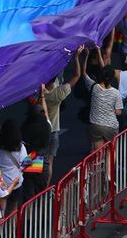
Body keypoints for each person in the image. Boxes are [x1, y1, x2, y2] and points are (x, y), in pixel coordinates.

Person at [42, 46, 82, 184]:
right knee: (49, 162)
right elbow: (77, 76)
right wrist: (76, 57)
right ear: (54, 81)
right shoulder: (57, 94)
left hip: (39, 131)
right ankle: (45, 188)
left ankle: (37, 186)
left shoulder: (37, 93)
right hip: (53, 131)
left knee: (37, 161)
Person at [78, 48, 122, 150]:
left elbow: (83, 73)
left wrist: (86, 57)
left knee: (97, 153)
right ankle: (109, 166)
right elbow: (119, 112)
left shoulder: (94, 87)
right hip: (111, 127)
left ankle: (97, 166)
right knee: (111, 152)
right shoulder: (116, 93)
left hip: (96, 125)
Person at [0, 118, 26, 213]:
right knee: (14, 208)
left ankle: (1, 225)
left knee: (1, 208)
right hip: (16, 182)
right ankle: (13, 226)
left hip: (2, 182)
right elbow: (24, 165)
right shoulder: (21, 147)